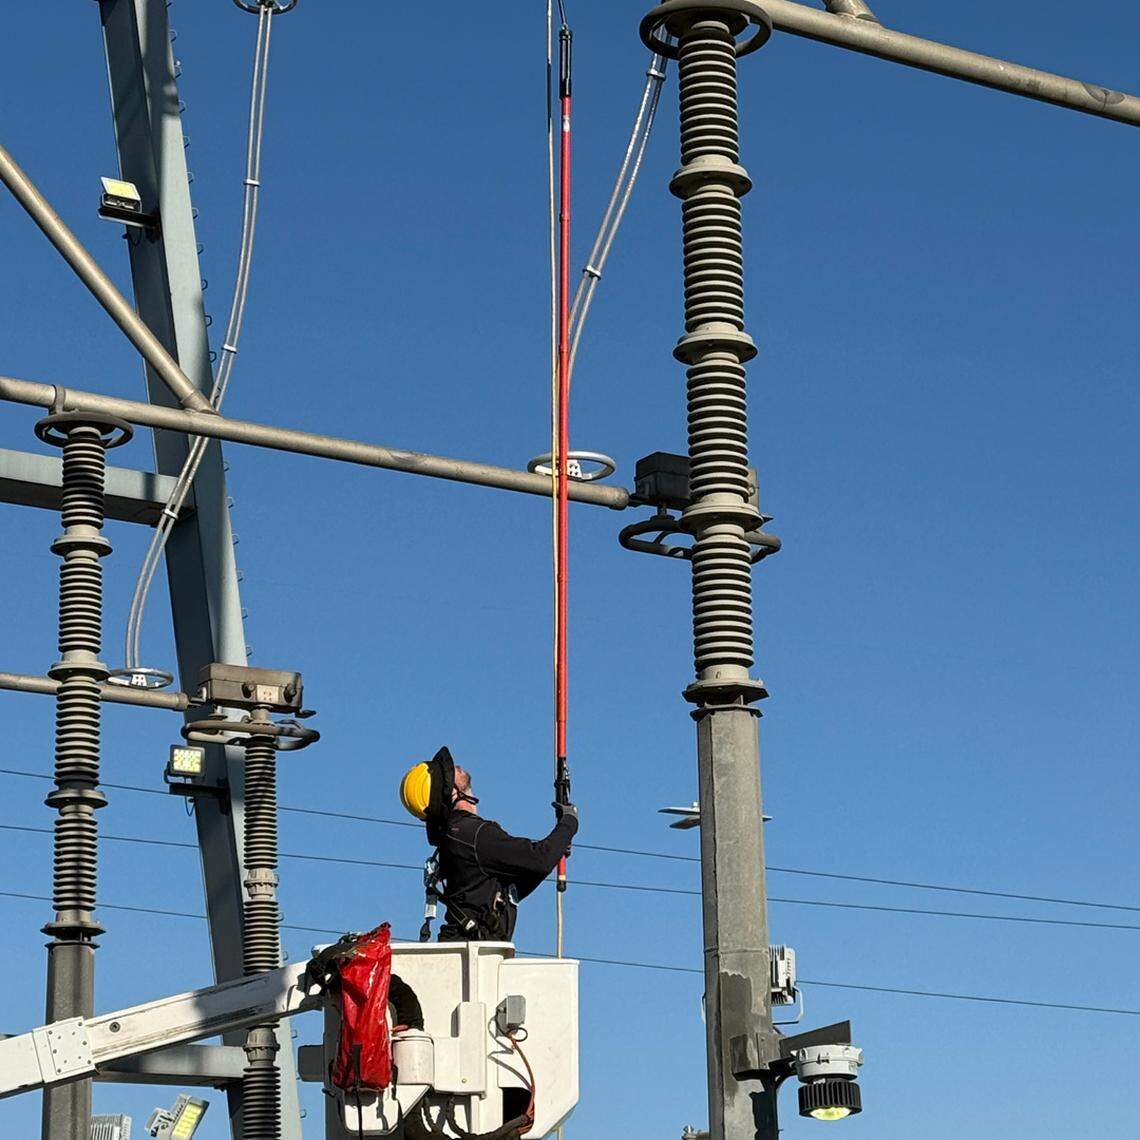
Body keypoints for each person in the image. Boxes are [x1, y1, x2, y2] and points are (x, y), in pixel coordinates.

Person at [399, 747, 578, 941]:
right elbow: (539, 858)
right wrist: (569, 822)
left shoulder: (457, 836)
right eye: (449, 772)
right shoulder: (474, 834)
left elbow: (514, 886)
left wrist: (558, 844)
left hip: (472, 949)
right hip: (474, 952)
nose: (456, 767)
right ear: (449, 791)